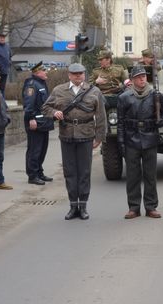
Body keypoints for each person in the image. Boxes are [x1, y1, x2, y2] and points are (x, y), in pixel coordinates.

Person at [42, 63, 107, 220]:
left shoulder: (94, 91)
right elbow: (45, 108)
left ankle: (83, 206)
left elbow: (101, 116)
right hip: (67, 134)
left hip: (86, 135)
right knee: (70, 172)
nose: (78, 76)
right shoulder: (59, 90)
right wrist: (54, 112)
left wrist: (99, 137)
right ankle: (73, 206)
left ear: (84, 75)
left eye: (81, 73)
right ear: (69, 75)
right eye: (75, 74)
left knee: (84, 172)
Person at [118, 65, 163, 219]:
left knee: (150, 175)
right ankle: (133, 207)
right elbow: (120, 122)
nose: (142, 79)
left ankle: (151, 207)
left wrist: (161, 120)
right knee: (132, 176)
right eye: (139, 77)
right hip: (131, 138)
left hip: (150, 137)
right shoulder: (124, 97)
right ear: (132, 79)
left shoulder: (156, 95)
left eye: (144, 76)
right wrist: (121, 141)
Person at [23, 61, 52, 185]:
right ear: (37, 72)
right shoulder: (31, 85)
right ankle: (32, 175)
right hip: (35, 122)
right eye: (44, 71)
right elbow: (29, 104)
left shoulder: (40, 83)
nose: (46, 73)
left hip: (43, 122)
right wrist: (31, 119)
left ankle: (39, 172)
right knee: (35, 150)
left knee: (42, 149)